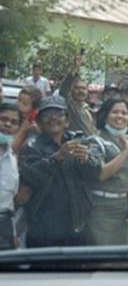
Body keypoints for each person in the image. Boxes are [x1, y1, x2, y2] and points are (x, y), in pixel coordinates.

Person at [19, 96, 93, 247]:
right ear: (39, 122)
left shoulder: (78, 141)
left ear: (67, 121)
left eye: (58, 114)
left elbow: (96, 173)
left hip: (76, 221)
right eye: (47, 115)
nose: (53, 118)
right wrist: (56, 157)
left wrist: (87, 159)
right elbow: (30, 176)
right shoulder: (32, 146)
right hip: (44, 223)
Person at [79, 98, 128, 245]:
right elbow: (100, 174)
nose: (120, 116)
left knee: (120, 259)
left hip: (123, 208)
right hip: (101, 208)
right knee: (102, 256)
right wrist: (125, 152)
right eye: (115, 112)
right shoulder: (94, 142)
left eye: (124, 113)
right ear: (105, 115)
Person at [0, 103, 20, 250]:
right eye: (3, 119)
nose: (7, 124)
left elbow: (10, 201)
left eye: (14, 122)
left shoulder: (12, 158)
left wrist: (12, 232)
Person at [60, 56, 97, 136]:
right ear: (72, 90)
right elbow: (64, 89)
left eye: (83, 88)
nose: (81, 91)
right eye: (77, 88)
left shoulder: (89, 110)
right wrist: (74, 68)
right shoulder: (70, 106)